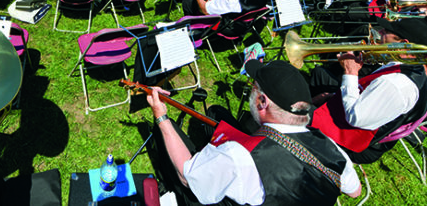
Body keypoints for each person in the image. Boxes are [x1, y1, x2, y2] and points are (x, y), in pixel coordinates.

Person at [146, 60, 360, 205]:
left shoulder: (239, 156)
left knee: (167, 132)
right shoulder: (330, 147)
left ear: (262, 101)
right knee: (217, 116)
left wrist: (161, 117)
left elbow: (186, 175)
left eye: (254, 86)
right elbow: (355, 191)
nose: (251, 89)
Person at [310, 18, 427, 163]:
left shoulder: (397, 84)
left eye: (385, 31)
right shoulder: (406, 65)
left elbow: (355, 118)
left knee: (289, 97)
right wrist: (332, 96)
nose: (379, 32)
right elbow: (366, 95)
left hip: (349, 139)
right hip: (353, 120)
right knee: (319, 76)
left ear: (403, 44)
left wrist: (351, 72)